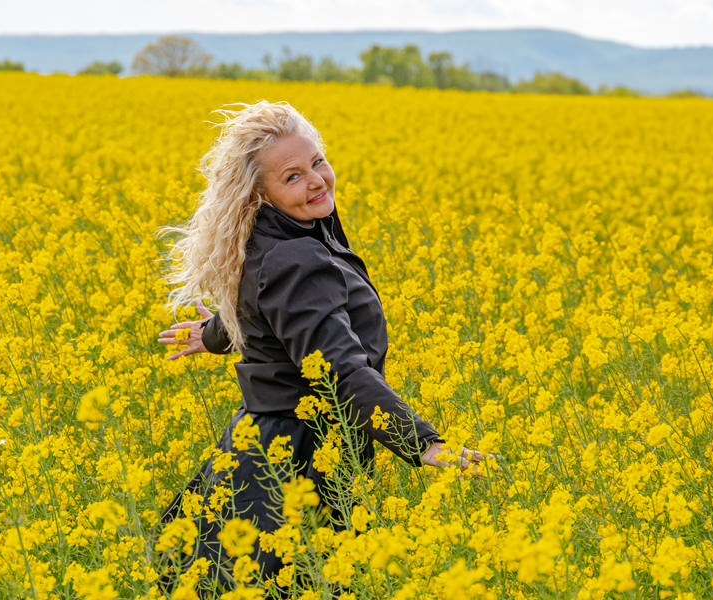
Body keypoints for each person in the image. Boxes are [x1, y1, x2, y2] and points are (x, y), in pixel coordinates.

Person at [155, 100, 484, 594]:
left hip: (262, 445)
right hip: (301, 461)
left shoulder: (277, 235)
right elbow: (337, 368)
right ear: (259, 195)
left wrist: (215, 335)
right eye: (292, 176)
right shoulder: (295, 255)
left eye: (317, 162)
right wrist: (424, 445)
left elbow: (262, 306)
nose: (316, 181)